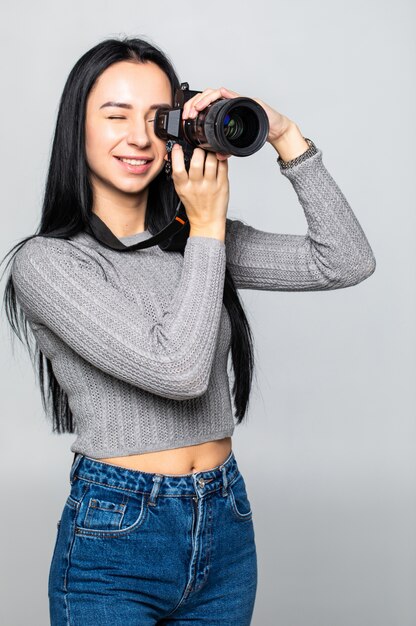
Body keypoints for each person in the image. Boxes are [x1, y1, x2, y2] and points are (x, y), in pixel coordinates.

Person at [2, 36, 376, 625]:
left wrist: (284, 135)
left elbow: (345, 261)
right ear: (77, 126)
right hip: (116, 538)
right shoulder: (49, 263)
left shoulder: (197, 239)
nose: (139, 138)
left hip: (224, 519)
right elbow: (178, 371)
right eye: (115, 115)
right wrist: (206, 229)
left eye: (157, 118)